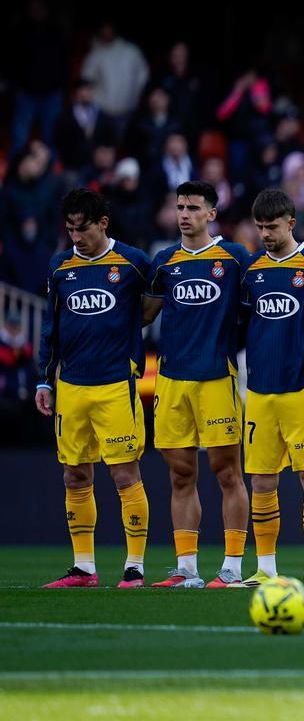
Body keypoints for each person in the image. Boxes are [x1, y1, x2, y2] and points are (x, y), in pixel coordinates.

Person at [37, 190, 153, 589]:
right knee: (74, 475)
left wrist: (130, 334)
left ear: (103, 223)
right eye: (70, 229)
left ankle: (134, 567)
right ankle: (83, 567)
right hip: (71, 386)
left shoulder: (134, 263)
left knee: (124, 474)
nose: (75, 236)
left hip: (116, 385)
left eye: (82, 228)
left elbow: (157, 300)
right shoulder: (60, 267)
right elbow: (50, 328)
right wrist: (43, 378)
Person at [141, 181, 251, 588]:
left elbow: (261, 305)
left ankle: (232, 570)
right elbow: (144, 315)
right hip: (170, 380)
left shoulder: (234, 257)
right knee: (180, 476)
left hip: (217, 378)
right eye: (180, 207)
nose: (184, 214)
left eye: (192, 207)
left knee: (227, 473)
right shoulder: (164, 261)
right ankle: (186, 569)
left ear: (211, 214)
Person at [239, 190, 304, 589]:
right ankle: (265, 566)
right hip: (260, 389)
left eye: (272, 226)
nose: (265, 233)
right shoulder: (251, 270)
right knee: (262, 481)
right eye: (260, 227)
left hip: (303, 386)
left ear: (291, 224)